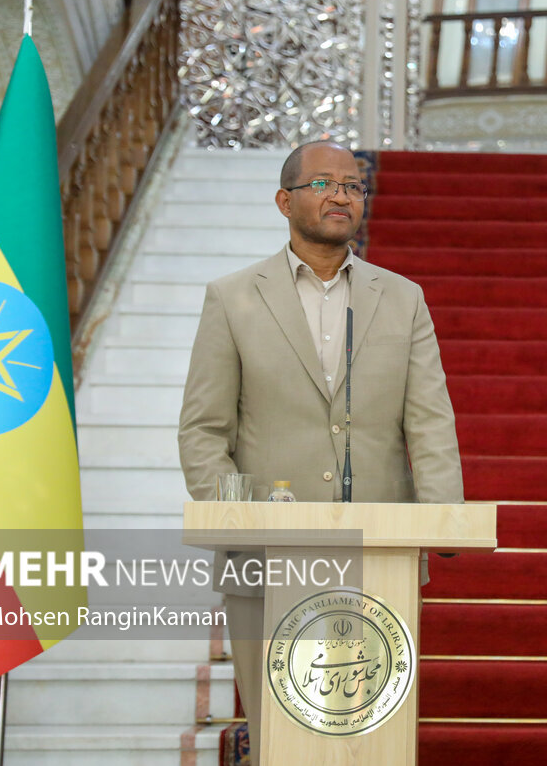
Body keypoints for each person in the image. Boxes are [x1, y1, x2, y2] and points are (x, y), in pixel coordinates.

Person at [178, 141, 463, 764]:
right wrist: (235, 518)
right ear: (285, 201)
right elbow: (203, 429)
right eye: (323, 184)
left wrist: (442, 518)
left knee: (371, 739)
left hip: (377, 554)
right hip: (266, 559)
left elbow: (430, 421)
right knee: (281, 737)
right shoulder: (233, 296)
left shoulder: (402, 297)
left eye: (353, 186)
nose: (341, 195)